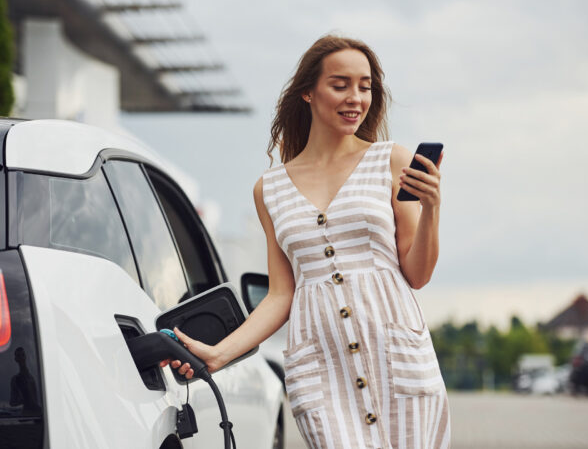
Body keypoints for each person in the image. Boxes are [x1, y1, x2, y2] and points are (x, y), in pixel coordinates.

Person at [161, 34, 450, 448]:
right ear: (308, 94)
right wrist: (219, 353)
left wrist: (432, 209)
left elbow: (417, 274)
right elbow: (281, 295)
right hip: (320, 371)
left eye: (365, 86)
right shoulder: (270, 190)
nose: (356, 98)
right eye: (340, 84)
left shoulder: (392, 160)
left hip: (398, 359)